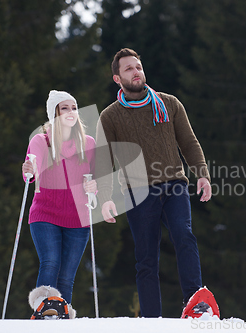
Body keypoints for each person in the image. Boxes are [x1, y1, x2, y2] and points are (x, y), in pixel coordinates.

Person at [95, 48, 212, 317]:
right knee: (146, 259)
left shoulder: (169, 103)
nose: (136, 72)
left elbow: (189, 142)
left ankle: (196, 304)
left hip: (175, 185)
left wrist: (202, 174)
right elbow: (102, 161)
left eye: (138, 66)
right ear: (117, 78)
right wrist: (105, 198)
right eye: (128, 69)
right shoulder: (110, 116)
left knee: (185, 236)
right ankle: (151, 320)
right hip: (137, 193)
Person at [22, 90, 97, 317]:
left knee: (66, 276)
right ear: (54, 113)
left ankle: (61, 316)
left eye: (74, 108)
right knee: (51, 262)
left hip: (78, 217)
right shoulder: (41, 141)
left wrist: (94, 187)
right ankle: (45, 310)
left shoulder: (89, 144)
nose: (71, 112)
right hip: (45, 212)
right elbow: (31, 168)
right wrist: (29, 171)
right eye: (64, 108)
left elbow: (96, 179)